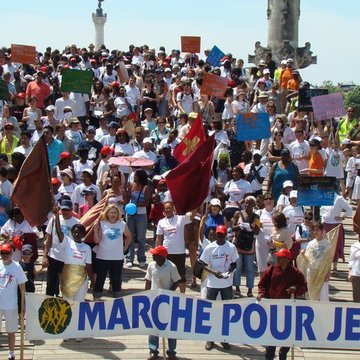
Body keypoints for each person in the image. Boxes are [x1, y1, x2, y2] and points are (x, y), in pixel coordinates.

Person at [257, 248, 307, 360]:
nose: (278, 258)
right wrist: (261, 293)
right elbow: (262, 284)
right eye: (278, 257)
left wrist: (296, 288)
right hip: (272, 308)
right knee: (271, 337)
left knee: (287, 335)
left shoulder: (295, 272)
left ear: (287, 259)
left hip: (288, 309)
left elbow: (304, 286)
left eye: (281, 257)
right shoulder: (271, 269)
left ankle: (283, 352)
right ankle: (269, 355)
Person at [200, 225, 238, 351]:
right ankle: (210, 339)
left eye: (223, 234)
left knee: (226, 312)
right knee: (210, 311)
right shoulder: (210, 247)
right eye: (219, 235)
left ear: (226, 235)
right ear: (215, 235)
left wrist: (228, 273)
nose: (221, 237)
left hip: (226, 284)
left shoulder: (231, 247)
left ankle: (224, 338)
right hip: (212, 284)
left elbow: (234, 264)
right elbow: (203, 265)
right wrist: (214, 272)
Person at [145, 245, 180, 360]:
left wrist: (168, 293)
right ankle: (153, 350)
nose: (153, 256)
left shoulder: (171, 266)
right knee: (153, 327)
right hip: (154, 300)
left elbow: (176, 281)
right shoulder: (151, 266)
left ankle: (171, 352)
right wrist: (146, 295)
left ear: (161, 256)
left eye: (155, 254)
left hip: (167, 301)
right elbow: (148, 281)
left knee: (169, 327)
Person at [53, 207, 94, 302]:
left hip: (81, 278)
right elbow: (59, 232)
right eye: (75, 232)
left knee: (80, 302)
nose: (76, 234)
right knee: (67, 302)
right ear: (71, 233)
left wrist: (92, 281)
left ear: (83, 235)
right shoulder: (67, 242)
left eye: (79, 233)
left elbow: (89, 266)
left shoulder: (87, 248)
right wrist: (56, 216)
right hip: (68, 276)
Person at [93, 205, 132, 300]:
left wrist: (125, 248)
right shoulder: (102, 223)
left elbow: (129, 236)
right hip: (103, 256)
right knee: (100, 278)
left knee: (116, 279)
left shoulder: (122, 224)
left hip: (117, 257)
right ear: (107, 214)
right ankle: (97, 297)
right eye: (111, 212)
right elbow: (97, 241)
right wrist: (95, 230)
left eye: (115, 212)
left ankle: (117, 298)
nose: (113, 214)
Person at [43, 199, 80, 296]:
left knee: (67, 283)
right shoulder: (54, 219)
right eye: (63, 210)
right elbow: (48, 238)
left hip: (68, 257)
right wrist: (45, 256)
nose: (65, 212)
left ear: (71, 209)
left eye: (67, 210)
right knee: (51, 283)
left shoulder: (77, 222)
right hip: (54, 255)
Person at [155, 201, 194, 293]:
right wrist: (156, 251)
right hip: (166, 252)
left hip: (179, 252)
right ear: (163, 210)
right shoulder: (161, 222)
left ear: (173, 209)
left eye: (169, 208)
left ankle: (182, 295)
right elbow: (159, 238)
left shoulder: (180, 219)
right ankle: (168, 294)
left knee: (181, 275)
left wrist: (194, 203)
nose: (168, 210)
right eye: (166, 208)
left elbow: (192, 215)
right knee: (167, 275)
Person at [0, 242, 27, 360]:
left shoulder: (17, 266)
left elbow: (22, 285)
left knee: (11, 330)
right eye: (2, 253)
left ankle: (11, 353)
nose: (4, 255)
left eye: (6, 253)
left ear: (11, 253)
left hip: (11, 304)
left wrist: (24, 303)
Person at [232, 196, 260, 297]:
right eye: (246, 203)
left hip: (249, 245)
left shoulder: (256, 217)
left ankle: (250, 290)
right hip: (238, 244)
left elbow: (257, 231)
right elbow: (232, 227)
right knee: (237, 267)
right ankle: (237, 288)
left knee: (250, 268)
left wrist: (250, 229)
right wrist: (239, 226)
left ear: (254, 205)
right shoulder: (237, 214)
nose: (247, 205)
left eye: (250, 203)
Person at [298, 222, 332, 301]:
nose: (316, 232)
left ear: (321, 230)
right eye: (314, 230)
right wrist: (303, 255)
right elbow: (309, 259)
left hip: (323, 272)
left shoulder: (327, 244)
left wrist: (328, 272)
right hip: (312, 271)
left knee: (323, 295)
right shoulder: (310, 243)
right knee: (312, 295)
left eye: (317, 229)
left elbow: (329, 260)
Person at [126, 169, 152, 268]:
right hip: (130, 214)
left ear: (140, 176)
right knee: (130, 236)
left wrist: (135, 204)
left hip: (141, 214)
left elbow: (146, 203)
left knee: (141, 237)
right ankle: (129, 258)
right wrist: (128, 190)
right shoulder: (132, 185)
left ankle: (141, 258)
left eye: (136, 175)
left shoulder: (146, 188)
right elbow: (128, 198)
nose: (134, 176)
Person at [348, 234, 360, 302]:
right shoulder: (355, 246)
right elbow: (351, 260)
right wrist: (350, 272)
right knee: (356, 295)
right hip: (356, 273)